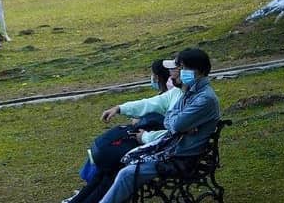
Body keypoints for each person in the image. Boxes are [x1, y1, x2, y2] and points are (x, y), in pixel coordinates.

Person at [85, 48, 221, 203]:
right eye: (180, 68)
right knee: (120, 164)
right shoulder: (190, 92)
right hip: (173, 149)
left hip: (181, 156)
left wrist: (174, 123)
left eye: (183, 68)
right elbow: (171, 121)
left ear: (199, 70)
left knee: (126, 172)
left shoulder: (203, 98)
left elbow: (174, 124)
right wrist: (176, 123)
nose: (179, 72)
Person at [63, 61, 179, 203]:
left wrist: (145, 136)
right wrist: (120, 108)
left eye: (176, 69)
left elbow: (175, 133)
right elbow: (149, 103)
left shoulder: (191, 99)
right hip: (152, 144)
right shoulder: (177, 93)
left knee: (117, 168)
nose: (172, 73)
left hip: (162, 149)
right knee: (108, 167)